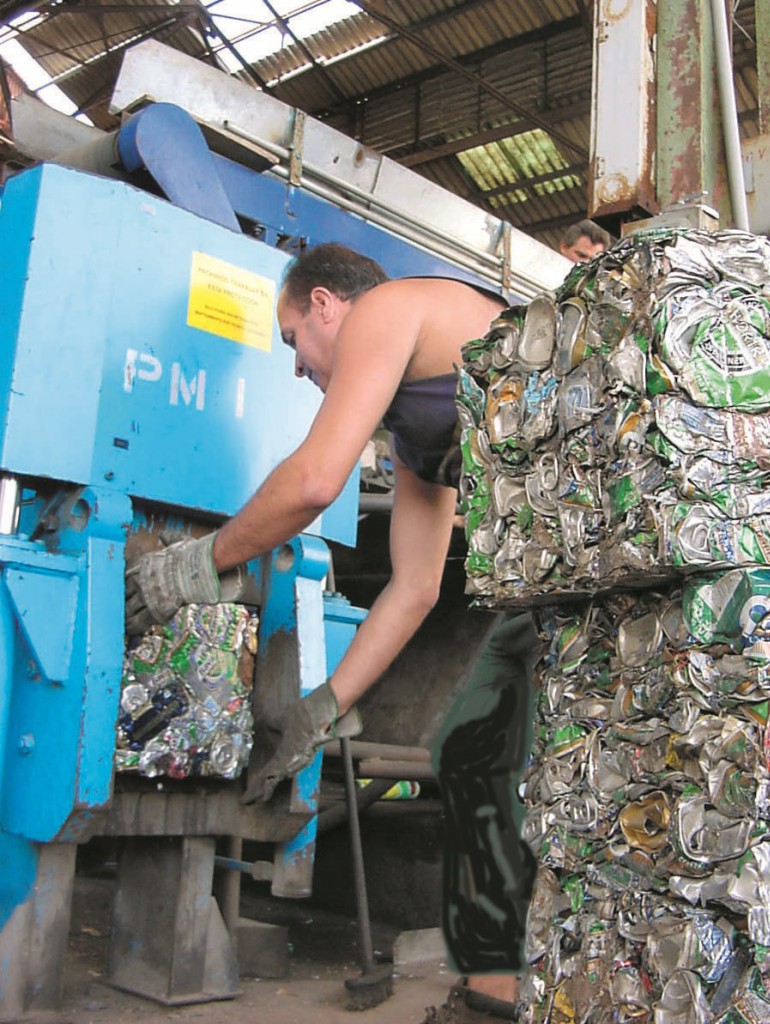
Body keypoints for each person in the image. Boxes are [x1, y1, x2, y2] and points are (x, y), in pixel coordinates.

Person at [125, 242, 534, 1019]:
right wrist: (321, 709)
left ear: (325, 305)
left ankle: (510, 993)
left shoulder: (387, 309)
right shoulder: (420, 436)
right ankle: (493, 997)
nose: (296, 367)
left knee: (500, 754)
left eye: (291, 341)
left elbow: (315, 480)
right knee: (474, 751)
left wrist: (190, 568)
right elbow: (412, 590)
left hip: (615, 554)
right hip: (568, 571)